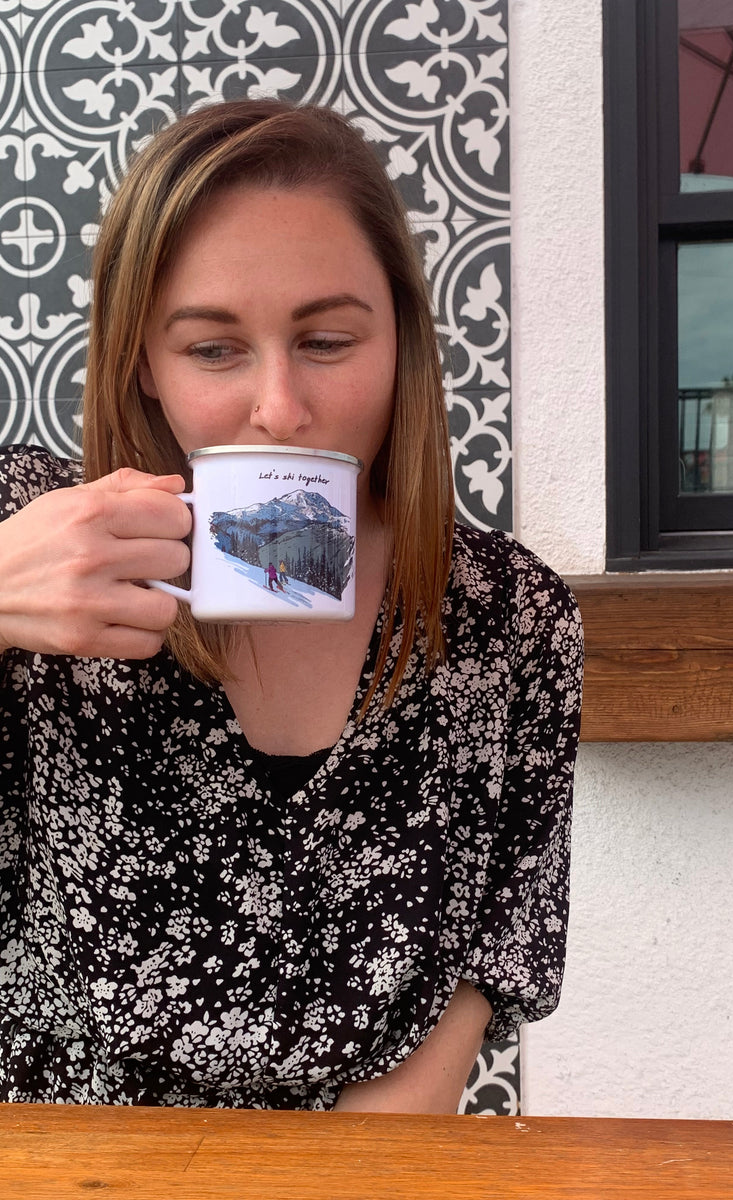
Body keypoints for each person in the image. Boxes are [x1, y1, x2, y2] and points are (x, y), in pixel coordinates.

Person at [0, 100, 582, 1111]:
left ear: (400, 337)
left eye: (325, 340)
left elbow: (485, 966)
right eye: (215, 350)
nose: (279, 406)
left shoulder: (511, 619)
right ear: (144, 359)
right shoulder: (33, 533)